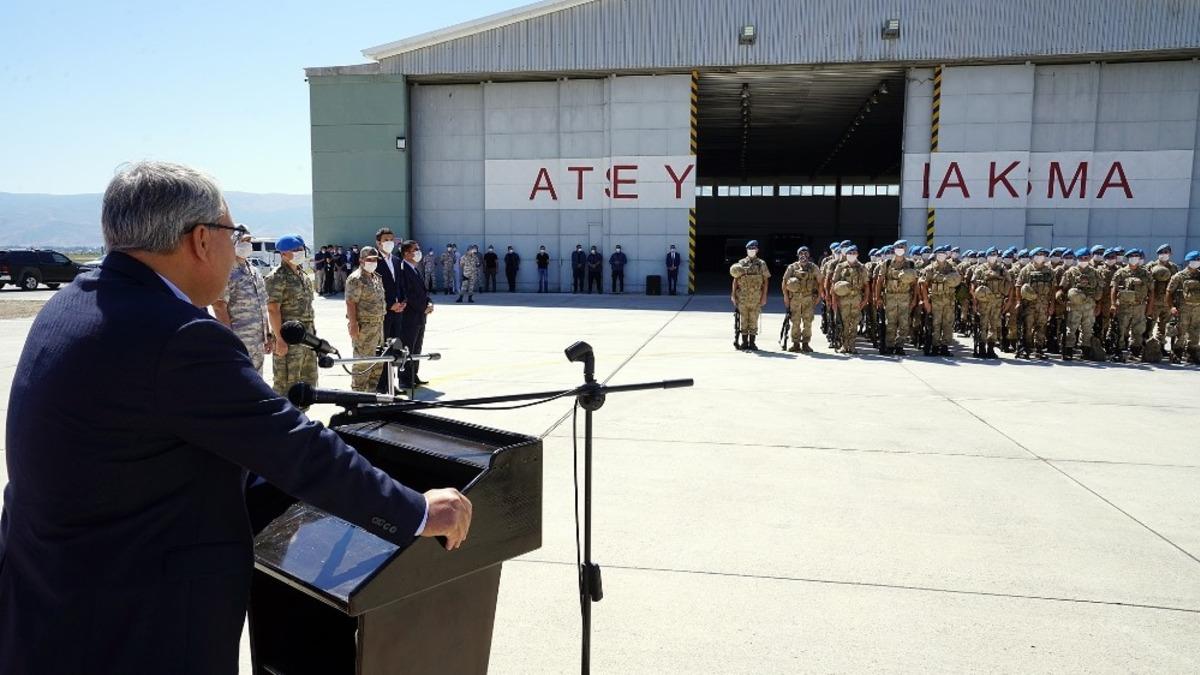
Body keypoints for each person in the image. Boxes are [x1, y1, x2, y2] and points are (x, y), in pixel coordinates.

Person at [0, 161, 472, 675]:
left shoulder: (73, 302)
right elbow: (294, 447)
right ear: (201, 240)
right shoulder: (177, 336)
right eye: (233, 234)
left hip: (52, 600)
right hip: (133, 623)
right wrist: (418, 512)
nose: (236, 247)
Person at [266, 234, 319, 399]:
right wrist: (279, 339)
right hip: (288, 338)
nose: (300, 252)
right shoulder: (277, 277)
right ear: (283, 254)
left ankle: (303, 416)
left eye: (301, 249)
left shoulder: (303, 276)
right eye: (294, 250)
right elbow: (273, 310)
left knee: (308, 381)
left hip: (307, 337)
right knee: (287, 383)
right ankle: (284, 421)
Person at [212, 230, 272, 373]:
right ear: (233, 243)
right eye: (244, 241)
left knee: (256, 382)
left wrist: (268, 335)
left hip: (257, 342)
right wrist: (229, 339)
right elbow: (219, 306)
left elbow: (262, 305)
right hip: (239, 340)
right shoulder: (226, 271)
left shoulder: (254, 271)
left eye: (249, 242)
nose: (248, 245)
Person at [345, 246, 387, 392]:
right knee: (362, 363)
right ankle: (357, 395)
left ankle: (371, 395)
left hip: (378, 325)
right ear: (361, 260)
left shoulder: (376, 277)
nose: (373, 262)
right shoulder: (356, 279)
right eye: (369, 259)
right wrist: (353, 324)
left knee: (377, 364)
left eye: (375, 259)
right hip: (364, 326)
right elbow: (351, 302)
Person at [396, 240, 435, 388]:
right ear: (406, 253)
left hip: (420, 315)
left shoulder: (415, 269)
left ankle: (413, 375)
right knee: (407, 347)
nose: (419, 251)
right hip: (410, 316)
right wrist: (421, 307)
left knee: (417, 347)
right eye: (415, 249)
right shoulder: (403, 269)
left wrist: (429, 303)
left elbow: (422, 292)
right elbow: (408, 294)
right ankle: (404, 379)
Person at [1058, 247, 1103, 360]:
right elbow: (1062, 287)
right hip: (1074, 306)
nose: (1083, 260)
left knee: (1087, 329)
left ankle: (1086, 350)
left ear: (1089, 258)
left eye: (1086, 258)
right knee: (1071, 328)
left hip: (1089, 306)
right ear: (1077, 259)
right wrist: (1060, 295)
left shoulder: (1095, 273)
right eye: (1081, 258)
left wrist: (1098, 305)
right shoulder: (1071, 272)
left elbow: (1100, 290)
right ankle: (1068, 350)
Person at [875, 240, 918, 355]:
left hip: (905, 297)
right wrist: (877, 297)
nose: (900, 249)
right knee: (891, 323)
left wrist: (914, 299)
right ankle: (889, 345)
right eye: (898, 247)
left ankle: (900, 346)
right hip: (890, 297)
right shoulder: (887, 263)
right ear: (894, 249)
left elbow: (915, 284)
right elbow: (879, 281)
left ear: (905, 249)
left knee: (904, 323)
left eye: (902, 247)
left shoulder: (910, 264)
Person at [1110, 249, 1153, 362]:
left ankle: (1135, 351)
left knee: (1138, 330)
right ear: (1128, 258)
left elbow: (1151, 292)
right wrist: (1113, 304)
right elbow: (1114, 289)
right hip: (1123, 306)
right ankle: (1119, 350)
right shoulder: (1120, 272)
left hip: (1140, 306)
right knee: (1121, 329)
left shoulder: (1146, 273)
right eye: (1132, 256)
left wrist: (1149, 308)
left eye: (1137, 256)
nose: (1134, 258)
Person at [971, 247, 1014, 359]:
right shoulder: (980, 269)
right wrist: (975, 302)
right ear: (987, 256)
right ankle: (981, 347)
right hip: (983, 302)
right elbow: (973, 286)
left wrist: (1008, 300)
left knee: (994, 325)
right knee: (982, 324)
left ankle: (990, 348)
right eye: (991, 255)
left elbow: (1010, 284)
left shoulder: (1002, 269)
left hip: (997, 302)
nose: (993, 257)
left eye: (995, 255)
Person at [919, 244, 962, 356]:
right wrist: (926, 302)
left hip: (949, 300)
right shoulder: (929, 269)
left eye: (943, 254)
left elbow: (957, 281)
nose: (942, 256)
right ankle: (935, 346)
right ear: (936, 255)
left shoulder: (952, 268)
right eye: (939, 254)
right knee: (935, 324)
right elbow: (923, 285)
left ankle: (944, 347)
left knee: (947, 324)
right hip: (935, 301)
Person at [1015, 247, 1056, 359]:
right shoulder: (1026, 270)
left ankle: (1039, 349)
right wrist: (1018, 301)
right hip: (1029, 304)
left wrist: (1052, 304)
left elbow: (1053, 289)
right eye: (1038, 255)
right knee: (1027, 327)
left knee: (1041, 327)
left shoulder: (1049, 271)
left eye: (1042, 255)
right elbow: (1018, 286)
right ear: (1033, 257)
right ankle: (1027, 349)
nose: (1040, 257)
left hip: (1043, 304)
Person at [374, 228, 406, 368]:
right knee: (383, 349)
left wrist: (403, 301)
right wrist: (389, 305)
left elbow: (400, 284)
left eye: (391, 240)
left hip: (398, 311)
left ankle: (392, 383)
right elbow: (374, 290)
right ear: (378, 243)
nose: (389, 242)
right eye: (385, 240)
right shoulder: (374, 262)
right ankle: (382, 384)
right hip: (383, 312)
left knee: (396, 348)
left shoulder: (396, 260)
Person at [730, 239, 770, 350]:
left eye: (753, 248)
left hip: (756, 298)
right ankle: (744, 342)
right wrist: (733, 295)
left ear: (757, 250)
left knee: (753, 320)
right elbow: (735, 280)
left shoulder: (761, 264)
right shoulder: (741, 263)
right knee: (743, 320)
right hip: (742, 297)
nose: (751, 250)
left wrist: (764, 296)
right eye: (749, 249)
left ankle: (752, 343)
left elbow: (765, 281)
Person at [830, 244, 868, 354]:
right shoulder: (840, 267)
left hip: (856, 299)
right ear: (846, 255)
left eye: (854, 253)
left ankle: (852, 345)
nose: (852, 255)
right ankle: (844, 344)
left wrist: (865, 299)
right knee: (844, 323)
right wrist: (834, 301)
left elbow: (866, 285)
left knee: (855, 322)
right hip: (843, 299)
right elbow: (834, 284)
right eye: (849, 253)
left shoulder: (861, 267)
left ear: (857, 254)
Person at [781, 246, 819, 352]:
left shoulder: (813, 267)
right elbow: (784, 281)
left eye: (806, 253)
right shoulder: (792, 267)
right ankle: (796, 343)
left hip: (808, 298)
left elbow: (820, 281)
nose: (804, 256)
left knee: (808, 321)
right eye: (801, 253)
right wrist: (785, 297)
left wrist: (819, 296)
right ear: (798, 255)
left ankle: (806, 343)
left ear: (809, 255)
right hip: (795, 299)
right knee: (795, 321)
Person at [1166, 250, 1200, 365]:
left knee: (1195, 332)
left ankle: (1192, 354)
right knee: (1180, 331)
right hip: (1182, 309)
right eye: (1195, 260)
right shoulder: (1179, 276)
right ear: (1189, 261)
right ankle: (1176, 353)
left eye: (1198, 260)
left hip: (1197, 310)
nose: (1197, 262)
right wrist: (1171, 307)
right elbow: (1169, 292)